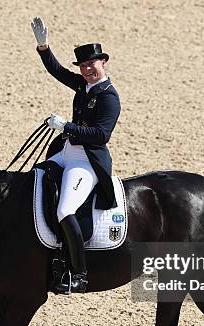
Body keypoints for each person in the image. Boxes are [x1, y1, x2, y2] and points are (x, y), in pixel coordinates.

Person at [31, 17, 121, 294]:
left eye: (91, 65)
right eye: (83, 66)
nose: (87, 70)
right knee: (34, 180)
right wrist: (43, 46)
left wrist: (66, 126)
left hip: (86, 161)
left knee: (64, 210)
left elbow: (100, 135)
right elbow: (57, 71)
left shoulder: (108, 97)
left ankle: (79, 273)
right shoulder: (84, 85)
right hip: (66, 153)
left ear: (103, 63)